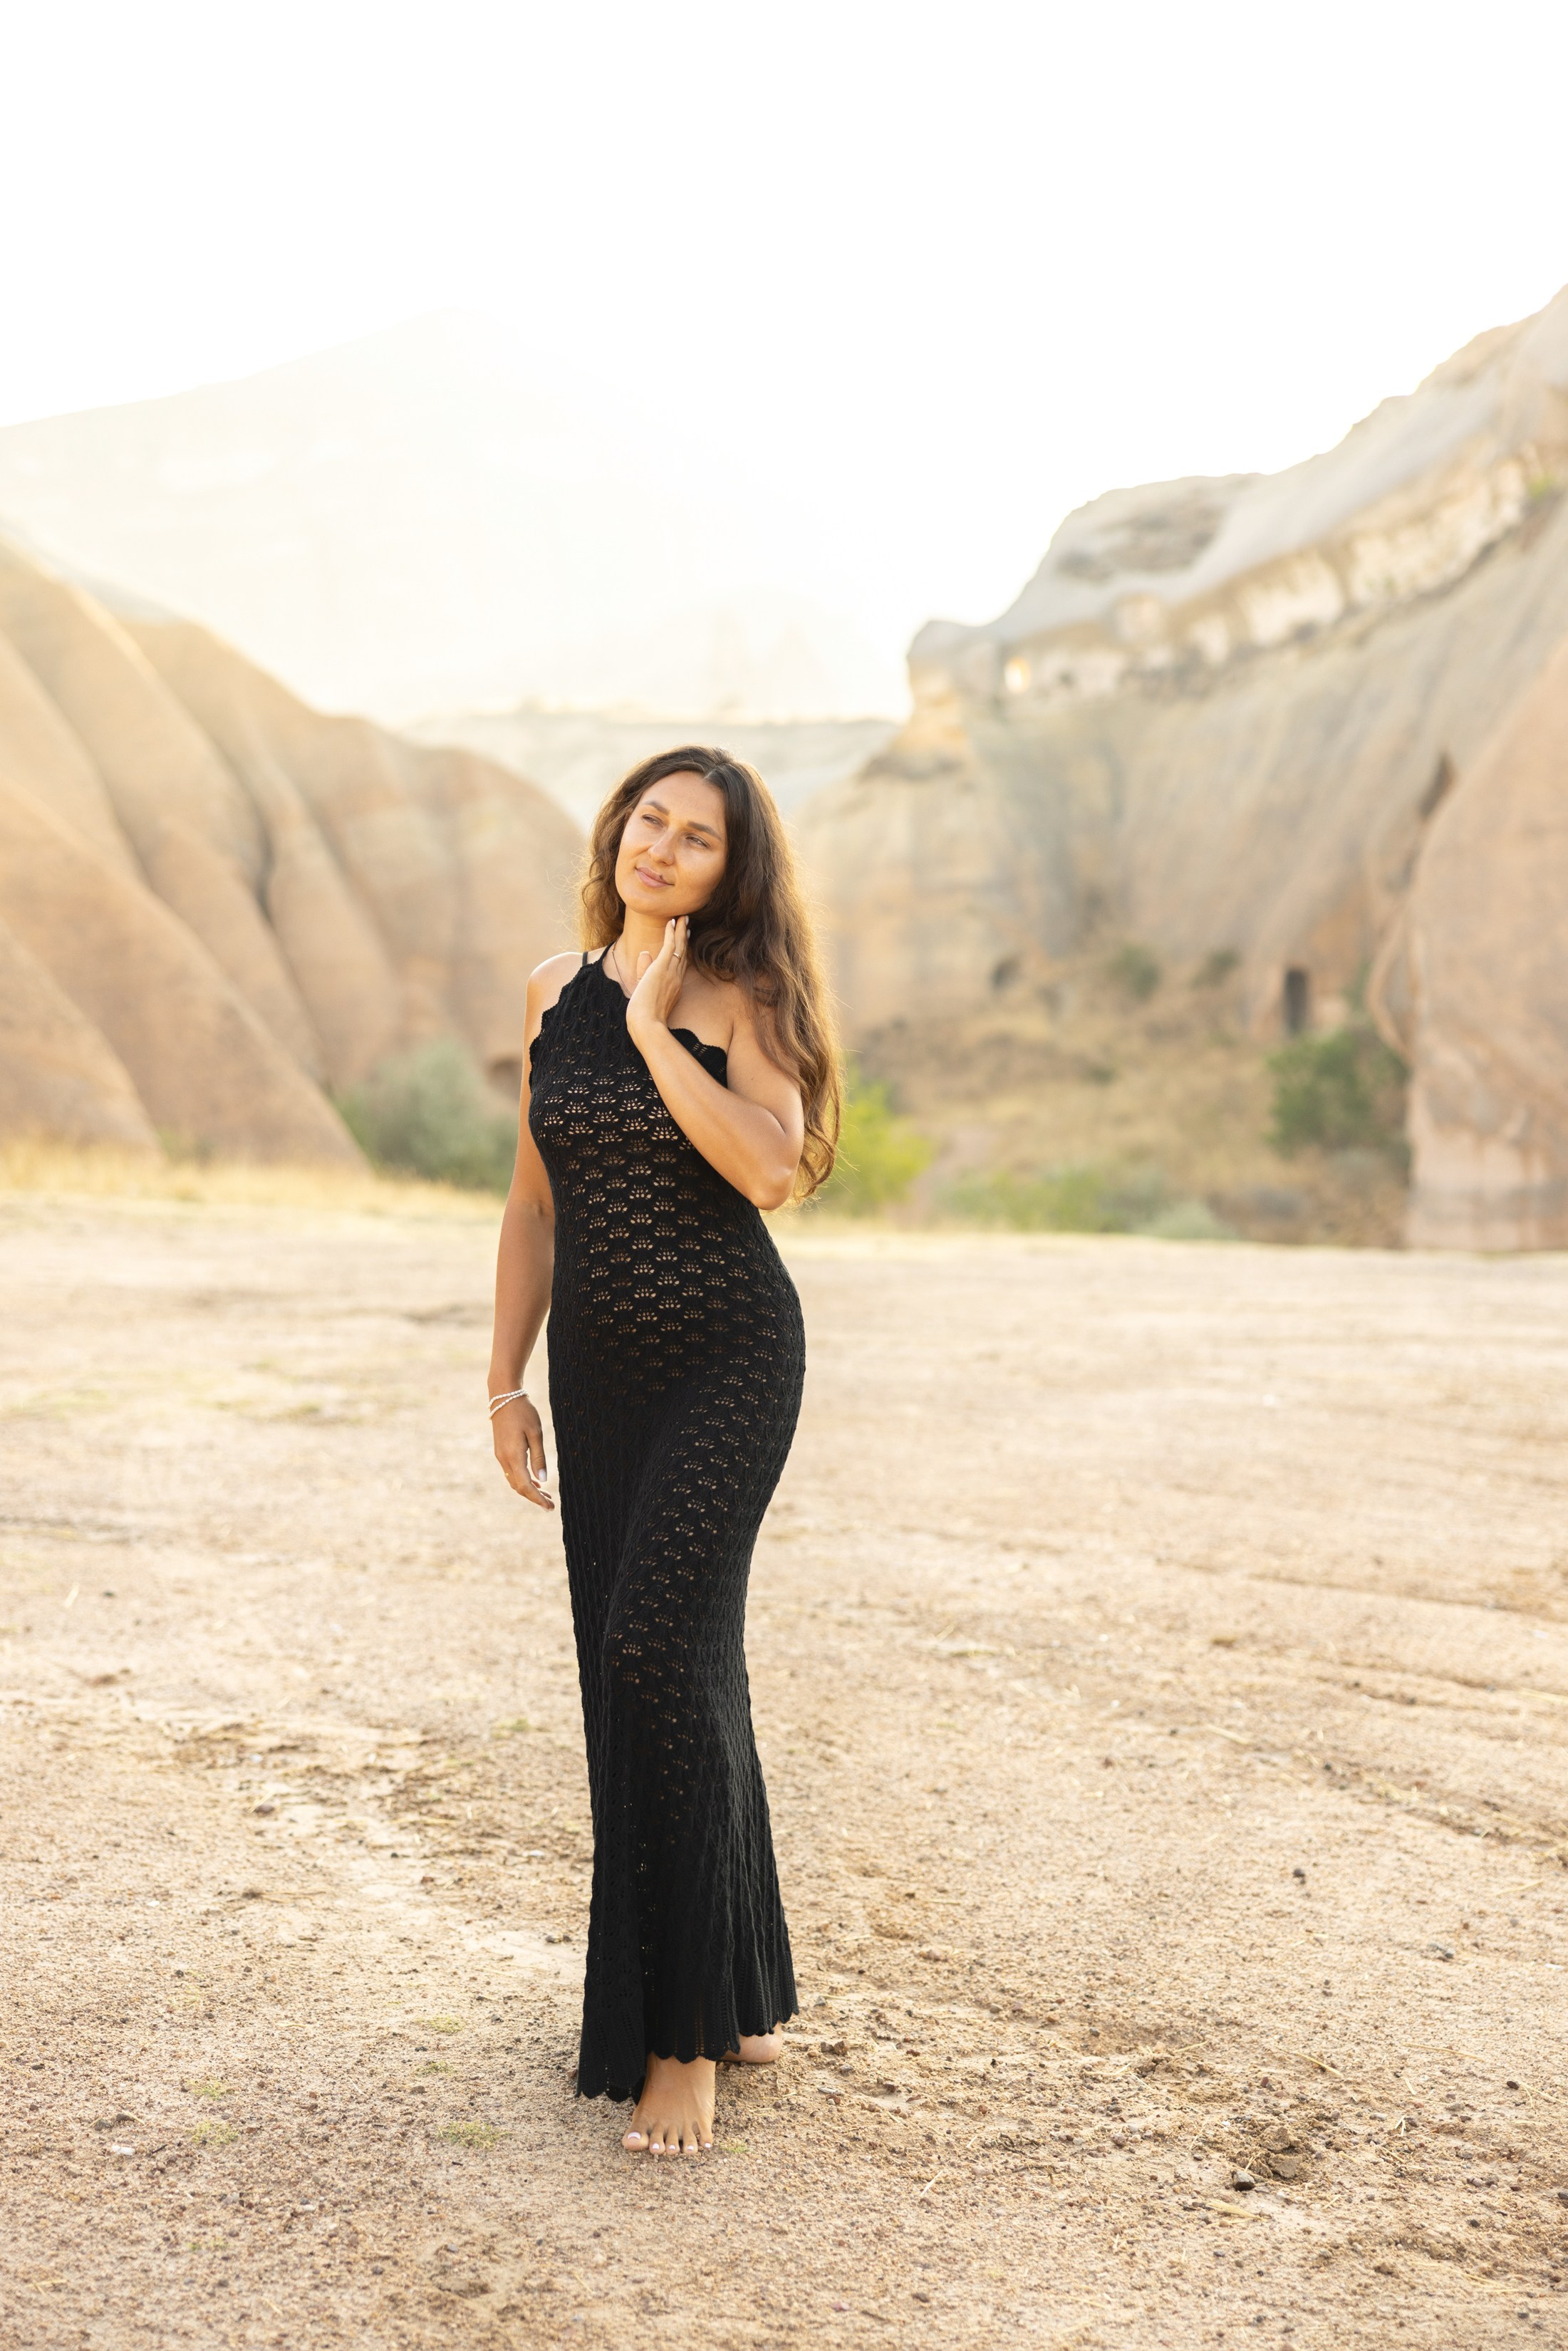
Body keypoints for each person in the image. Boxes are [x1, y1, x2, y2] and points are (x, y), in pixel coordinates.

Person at [487, 747, 840, 2156]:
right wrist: (500, 1382)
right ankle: (737, 1990)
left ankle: (683, 2041)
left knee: (654, 1648)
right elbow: (532, 1205)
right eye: (651, 821)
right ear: (618, 829)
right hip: (599, 1377)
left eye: (696, 840)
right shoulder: (545, 992)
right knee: (658, 1662)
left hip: (729, 1359)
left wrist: (650, 1031)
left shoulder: (738, 997)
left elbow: (768, 1167)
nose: (662, 849)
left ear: (727, 875)